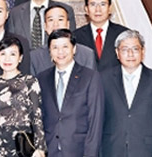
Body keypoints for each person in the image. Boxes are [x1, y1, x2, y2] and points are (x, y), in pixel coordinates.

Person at [37, 29, 104, 157]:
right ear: (50, 52)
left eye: (65, 47)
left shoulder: (90, 77)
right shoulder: (42, 78)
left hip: (79, 151)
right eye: (55, 47)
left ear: (74, 49)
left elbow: (95, 120)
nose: (60, 52)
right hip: (50, 151)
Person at [101, 30, 152, 157]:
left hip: (147, 150)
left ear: (143, 52)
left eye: (135, 49)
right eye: (125, 49)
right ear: (117, 53)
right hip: (111, 149)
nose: (130, 54)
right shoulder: (103, 79)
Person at [0, 36, 46, 157]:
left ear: (20, 58)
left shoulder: (29, 82)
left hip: (23, 146)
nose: (7, 58)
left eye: (12, 54)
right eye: (3, 54)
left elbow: (37, 115)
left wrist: (40, 148)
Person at [30, 5, 96, 75]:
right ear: (45, 26)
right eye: (51, 20)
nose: (56, 24)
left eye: (60, 19)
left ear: (68, 24)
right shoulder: (35, 56)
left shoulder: (86, 54)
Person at [73, 0, 128, 72]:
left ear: (109, 8)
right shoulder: (75, 36)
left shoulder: (124, 34)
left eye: (103, 4)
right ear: (86, 9)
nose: (98, 9)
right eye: (93, 4)